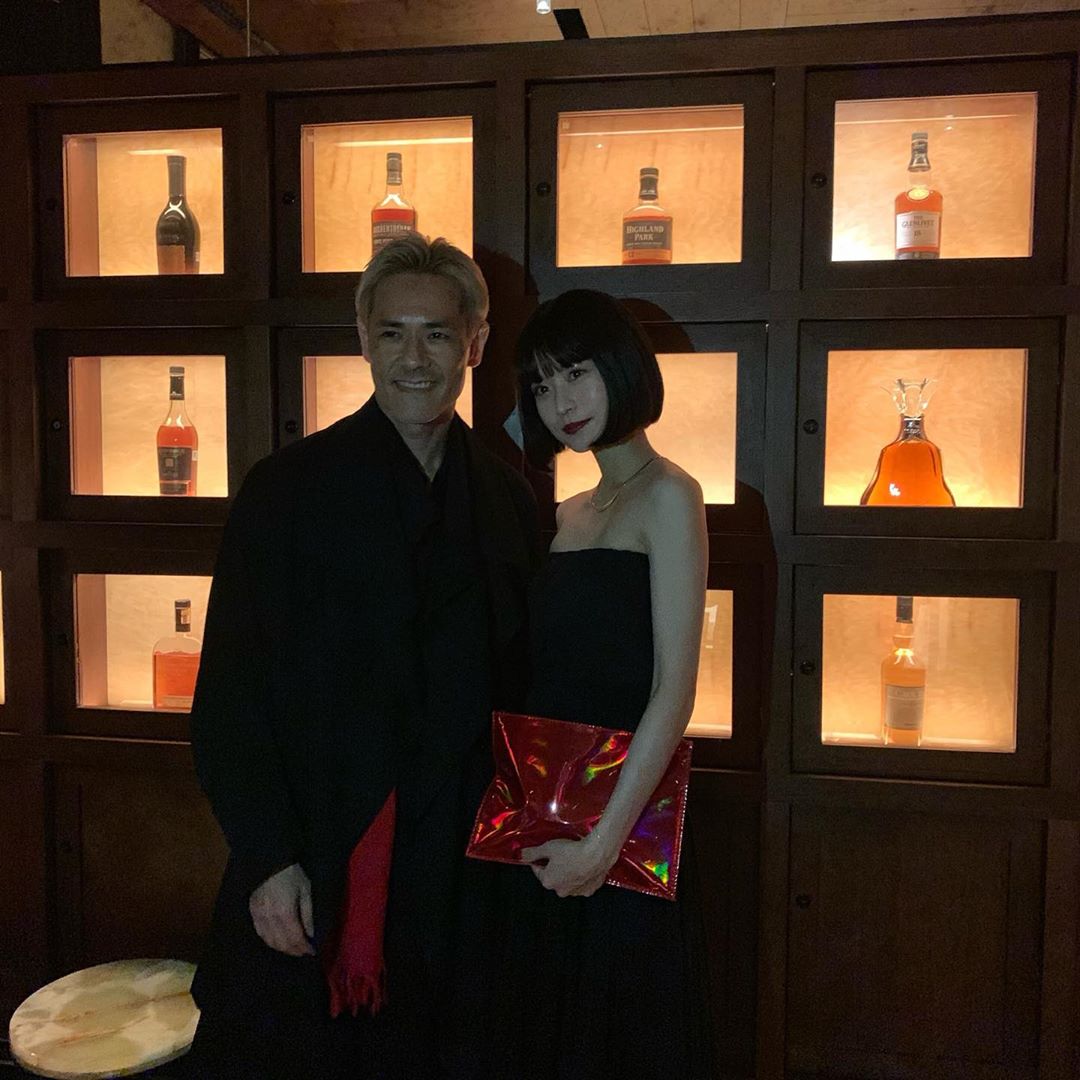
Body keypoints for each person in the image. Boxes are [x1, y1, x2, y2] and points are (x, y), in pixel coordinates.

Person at [185, 234, 539, 1080]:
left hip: (462, 867)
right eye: (392, 334)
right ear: (363, 341)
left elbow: (523, 686)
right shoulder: (286, 491)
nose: (414, 359)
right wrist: (268, 860)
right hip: (319, 847)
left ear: (476, 343)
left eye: (438, 334)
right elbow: (230, 695)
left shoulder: (507, 498)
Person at [472, 289, 716, 1078]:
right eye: (542, 384)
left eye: (576, 373)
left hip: (620, 823)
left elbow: (674, 690)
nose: (560, 402)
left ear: (620, 366)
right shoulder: (570, 511)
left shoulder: (671, 494)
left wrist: (603, 845)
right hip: (546, 811)